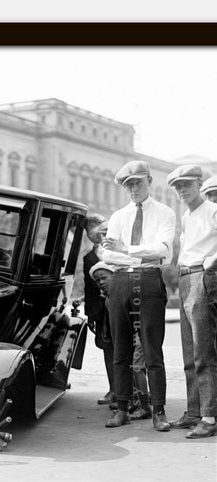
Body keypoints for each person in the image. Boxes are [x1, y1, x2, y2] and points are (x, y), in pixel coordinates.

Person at [100, 160, 175, 431]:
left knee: (152, 348)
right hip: (121, 279)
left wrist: (126, 248)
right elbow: (108, 254)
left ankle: (159, 411)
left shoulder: (165, 213)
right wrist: (133, 250)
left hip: (149, 279)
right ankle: (122, 409)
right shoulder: (119, 216)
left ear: (149, 181)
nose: (133, 188)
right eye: (128, 184)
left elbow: (161, 251)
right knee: (121, 347)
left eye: (137, 183)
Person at [166, 165, 217, 438]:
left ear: (199, 183)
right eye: (177, 187)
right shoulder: (187, 216)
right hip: (186, 277)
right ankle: (194, 411)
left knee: (203, 350)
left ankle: (209, 417)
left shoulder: (212, 210)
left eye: (186, 184)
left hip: (202, 276)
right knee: (188, 351)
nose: (182, 190)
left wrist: (212, 262)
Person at [90, 262, 151, 419]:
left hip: (138, 336)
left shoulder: (127, 293)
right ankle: (133, 400)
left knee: (137, 367)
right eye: (97, 280)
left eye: (104, 278)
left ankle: (144, 406)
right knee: (129, 367)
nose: (101, 282)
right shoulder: (109, 298)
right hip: (128, 338)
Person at [82, 213, 115, 406]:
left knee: (127, 348)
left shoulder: (117, 251)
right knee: (107, 348)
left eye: (95, 226)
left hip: (119, 306)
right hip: (101, 311)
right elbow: (88, 287)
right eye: (88, 229)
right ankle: (113, 389)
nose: (91, 232)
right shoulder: (88, 257)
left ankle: (134, 391)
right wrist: (90, 313)